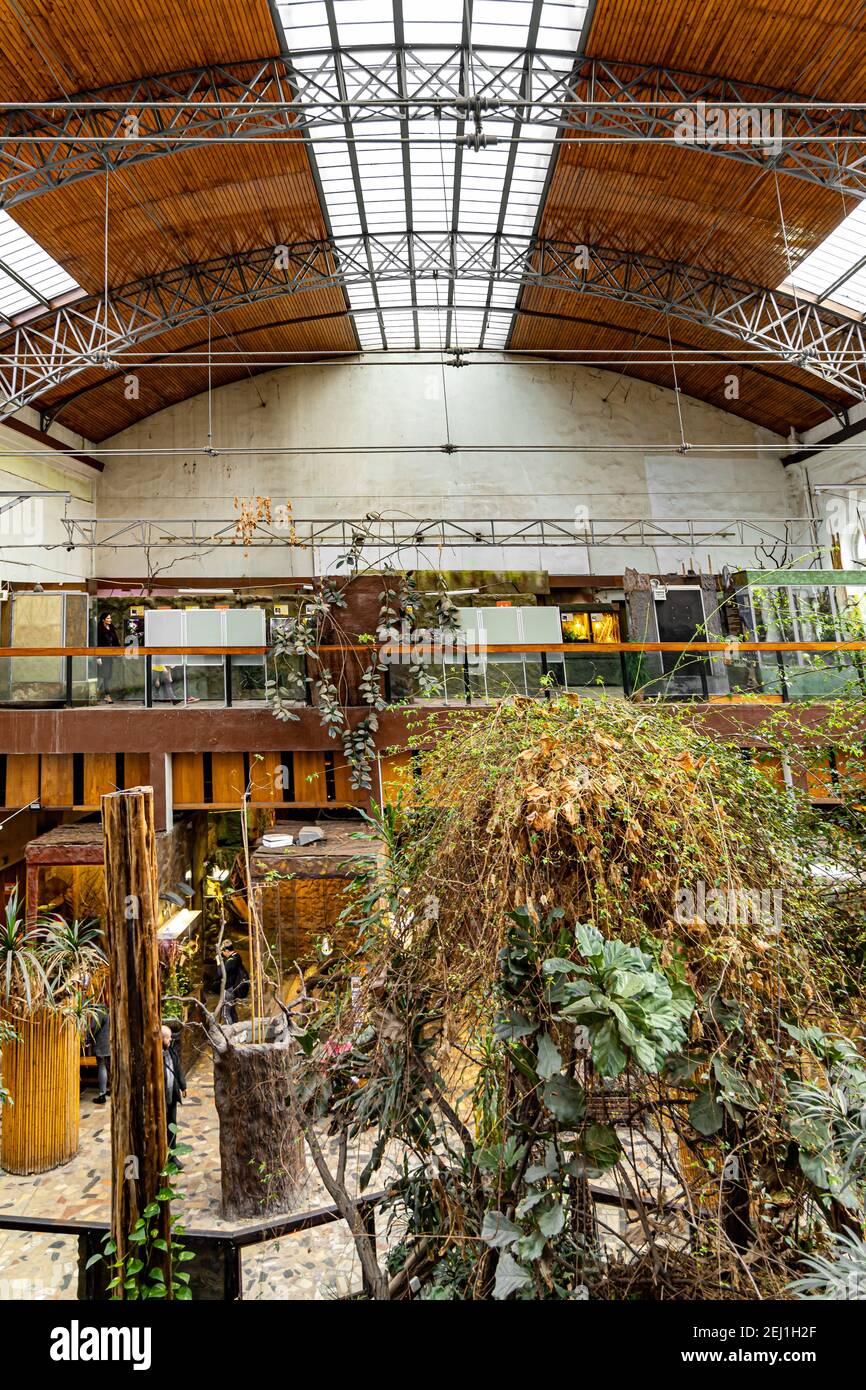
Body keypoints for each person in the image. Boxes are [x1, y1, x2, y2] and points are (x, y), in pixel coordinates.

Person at [161, 1023, 187, 1166]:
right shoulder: (156, 1056)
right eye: (168, 1038)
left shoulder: (171, 1051)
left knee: (172, 1127)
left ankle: (173, 1156)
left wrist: (183, 1086)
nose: (170, 1041)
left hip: (171, 1097)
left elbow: (177, 1068)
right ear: (161, 1039)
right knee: (162, 1128)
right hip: (161, 1100)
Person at [218, 940, 249, 1025]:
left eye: (222, 951)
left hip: (229, 988)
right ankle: (235, 1028)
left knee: (225, 1014)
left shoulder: (232, 960)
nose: (222, 954)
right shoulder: (236, 956)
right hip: (233, 987)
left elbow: (220, 973)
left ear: (227, 951)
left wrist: (218, 962)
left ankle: (230, 1032)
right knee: (232, 1011)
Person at [96, 611, 120, 703]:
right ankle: (106, 695)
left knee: (108, 676)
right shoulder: (99, 629)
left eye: (110, 618)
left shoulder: (111, 628)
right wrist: (97, 657)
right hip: (102, 656)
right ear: (103, 620)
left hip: (110, 656)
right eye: (108, 618)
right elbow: (97, 644)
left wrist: (118, 651)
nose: (110, 620)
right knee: (103, 676)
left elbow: (115, 642)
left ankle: (101, 693)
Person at [90, 1002, 110, 1104]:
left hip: (102, 1044)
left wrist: (88, 1039)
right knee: (109, 1067)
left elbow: (93, 1027)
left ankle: (102, 1095)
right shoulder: (109, 1011)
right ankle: (110, 1089)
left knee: (102, 1066)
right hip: (111, 1043)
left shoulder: (99, 1012)